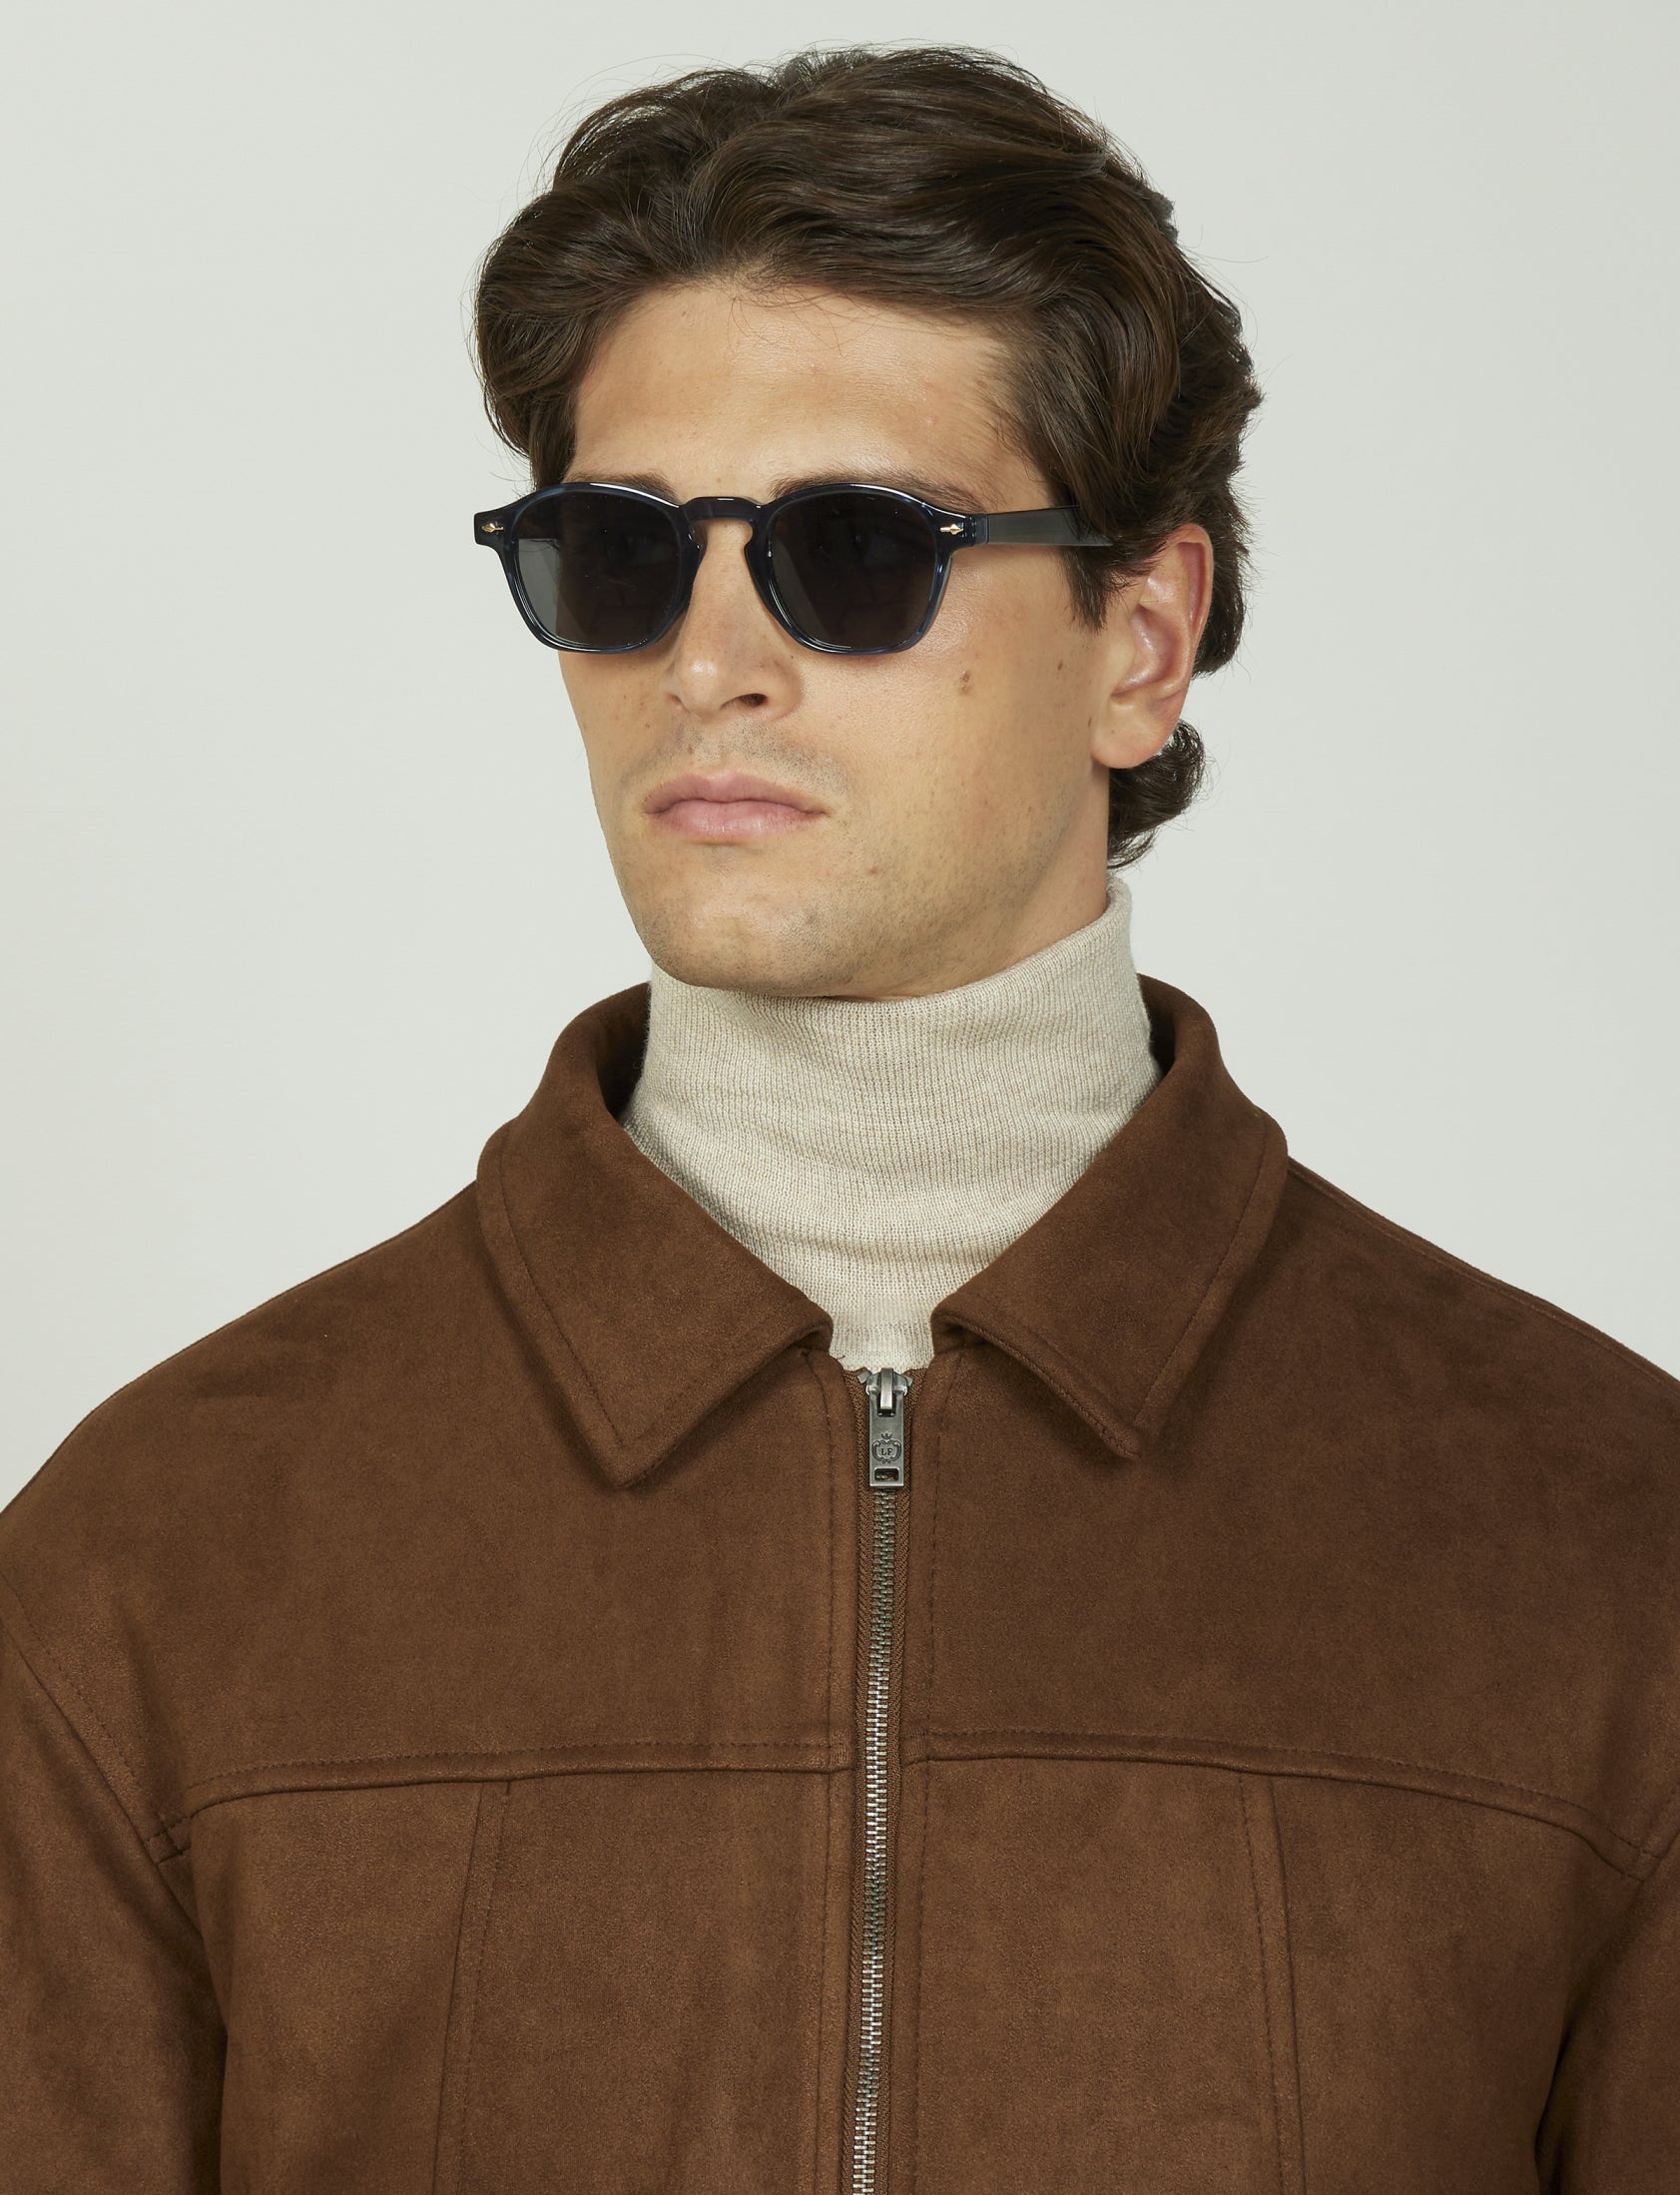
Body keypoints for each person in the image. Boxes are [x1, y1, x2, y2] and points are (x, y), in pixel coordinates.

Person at [2, 42, 1675, 2194]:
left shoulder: (1600, 1553)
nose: (707, 659)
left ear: (1140, 642)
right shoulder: (156, 1564)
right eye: (620, 554)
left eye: (853, 551)